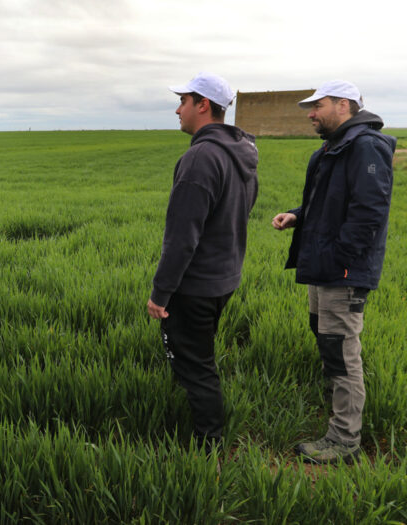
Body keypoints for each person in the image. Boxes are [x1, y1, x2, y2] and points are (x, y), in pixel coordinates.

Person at [272, 80, 395, 464]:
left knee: (341, 350)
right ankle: (340, 407)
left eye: (317, 106)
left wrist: (343, 257)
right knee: (327, 339)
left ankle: (344, 439)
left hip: (342, 271)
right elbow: (326, 205)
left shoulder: (364, 147)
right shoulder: (333, 148)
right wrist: (298, 215)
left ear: (344, 105)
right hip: (326, 266)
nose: (310, 113)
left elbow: (369, 212)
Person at [147, 72, 259, 452]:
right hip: (224, 278)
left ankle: (208, 447)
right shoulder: (243, 152)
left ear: (203, 105)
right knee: (200, 356)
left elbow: (181, 239)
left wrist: (160, 294)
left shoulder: (200, 158)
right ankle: (203, 428)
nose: (178, 110)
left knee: (196, 366)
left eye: (183, 101)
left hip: (194, 286)